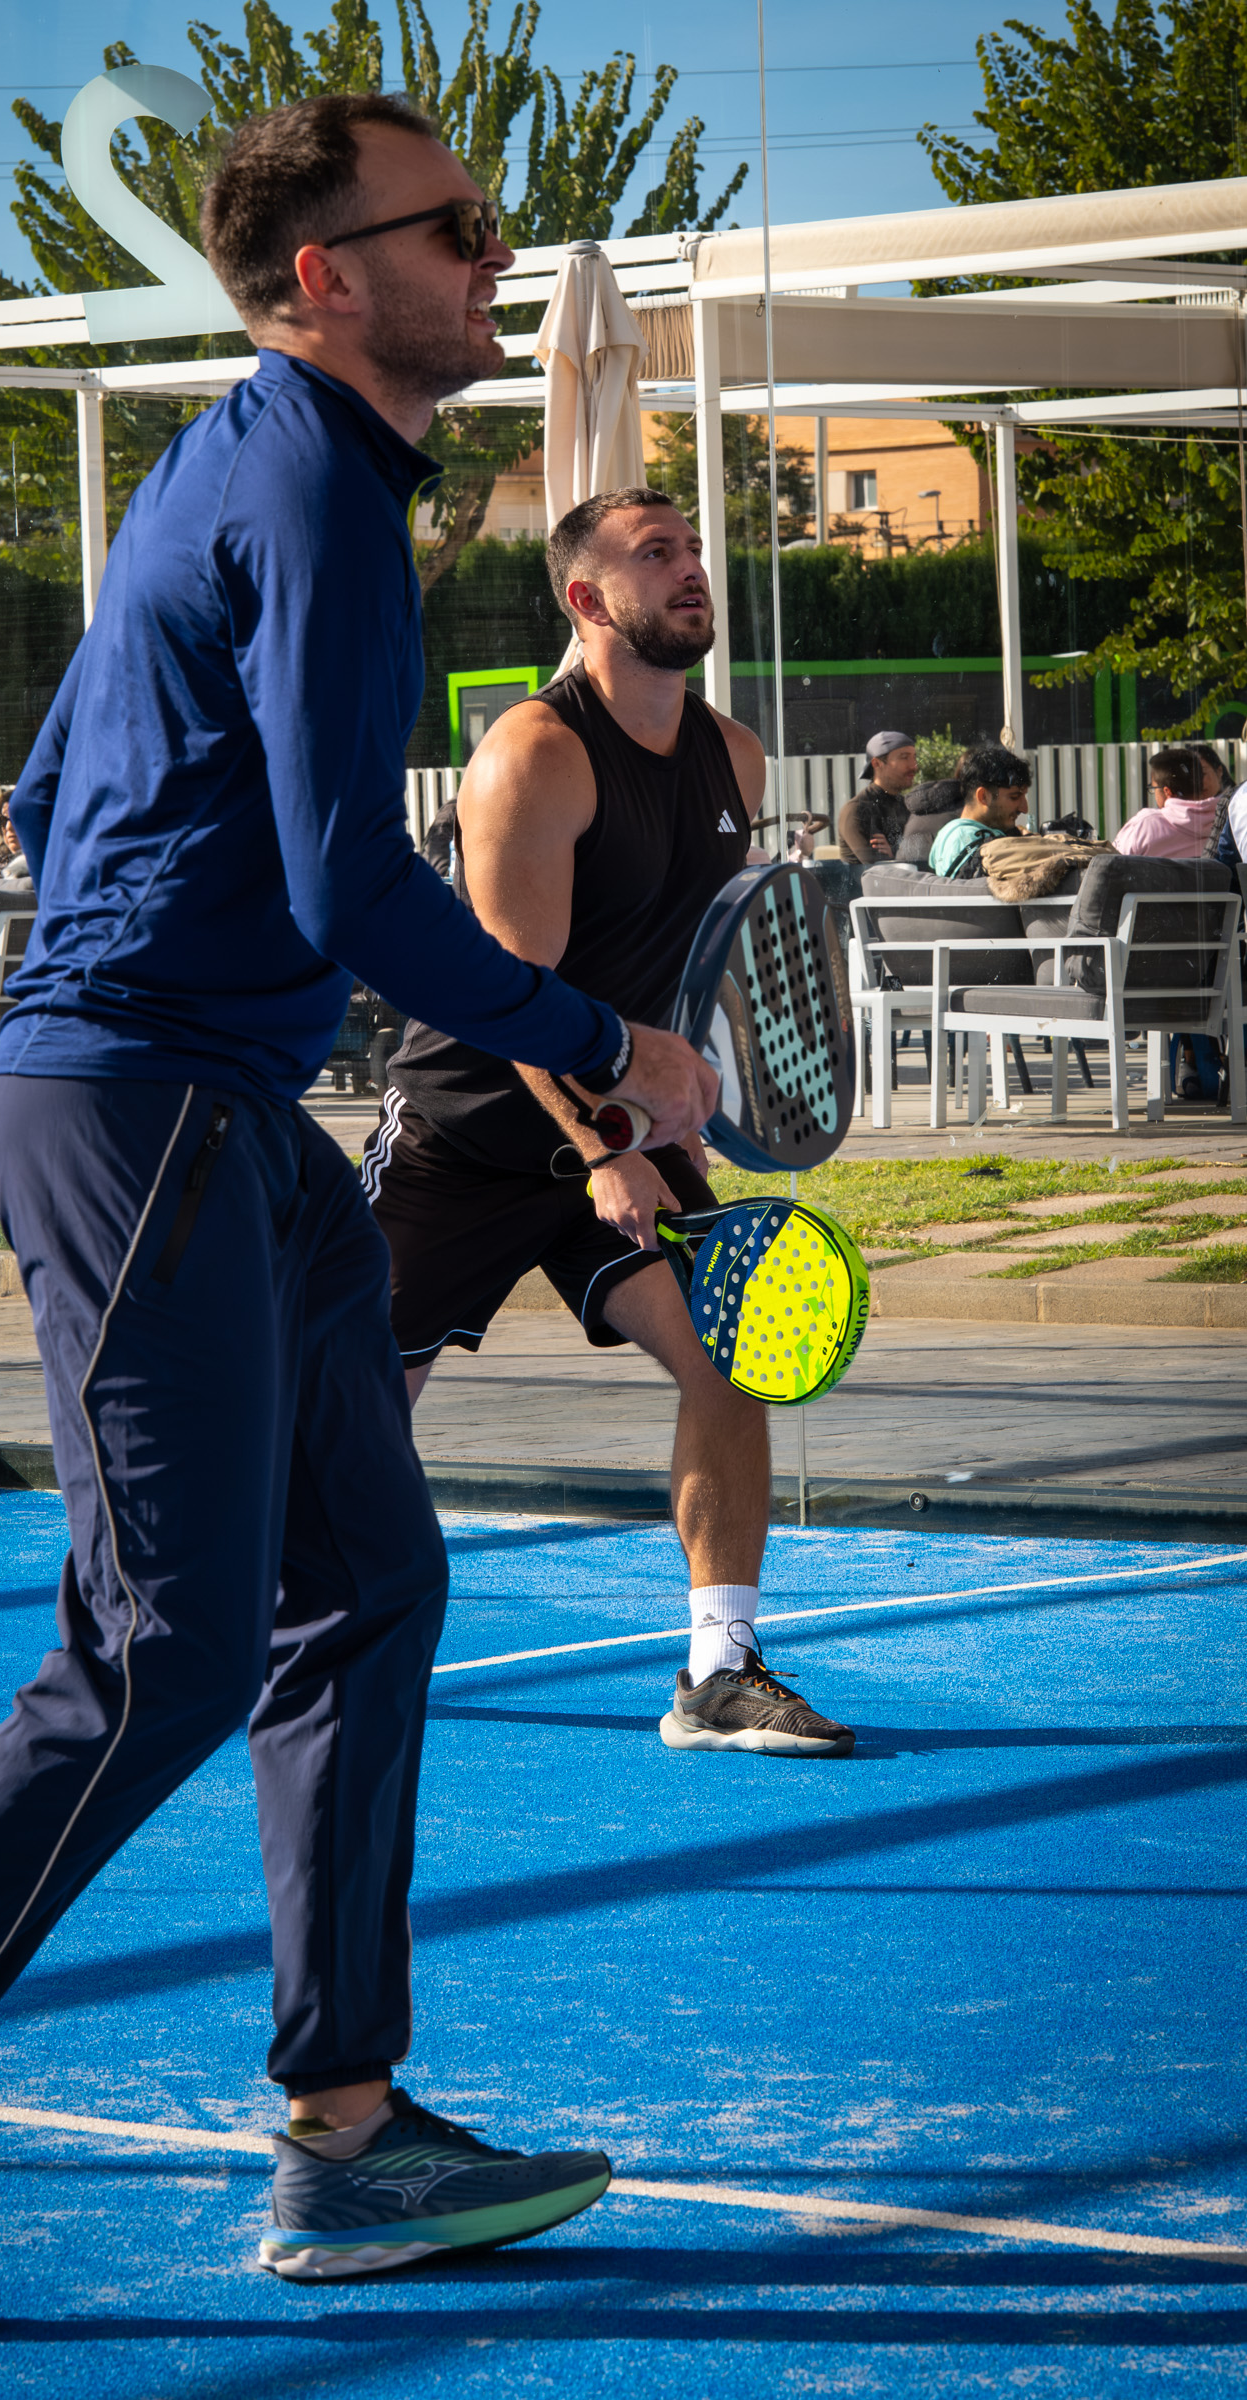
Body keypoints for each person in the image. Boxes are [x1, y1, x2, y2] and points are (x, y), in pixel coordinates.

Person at [0, 93, 721, 2334]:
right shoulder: (310, 491)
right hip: (150, 1114)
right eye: (450, 228)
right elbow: (355, 884)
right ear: (325, 276)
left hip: (219, 1116)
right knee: (163, 1651)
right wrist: (607, 1047)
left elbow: (69, 780)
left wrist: (198, 957)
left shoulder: (249, 465)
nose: (492, 255)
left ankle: (343, 2137)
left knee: (364, 1580)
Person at [368, 487, 853, 1760]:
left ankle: (717, 1670)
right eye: (657, 555)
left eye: (692, 549)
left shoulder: (733, 755)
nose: (692, 570)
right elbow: (514, 993)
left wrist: (684, 1120)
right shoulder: (534, 753)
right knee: (355, 1400)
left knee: (733, 1351)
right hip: (466, 1131)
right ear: (586, 601)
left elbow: (703, 972)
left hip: (626, 1131)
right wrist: (597, 1151)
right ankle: (282, 1631)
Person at [928, 744, 1033, 876]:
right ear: (983, 796)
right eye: (1014, 797)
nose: (1024, 808)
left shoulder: (961, 835)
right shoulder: (963, 839)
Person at [1114, 746, 1218, 859]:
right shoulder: (1225, 822)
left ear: (1167, 792)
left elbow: (1113, 865)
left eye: (1153, 788)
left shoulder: (1144, 825)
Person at [837, 730, 919, 862]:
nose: (914, 766)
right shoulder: (857, 810)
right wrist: (901, 852)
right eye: (904, 757)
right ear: (877, 764)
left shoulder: (907, 806)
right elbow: (877, 870)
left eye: (914, 757)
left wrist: (894, 852)